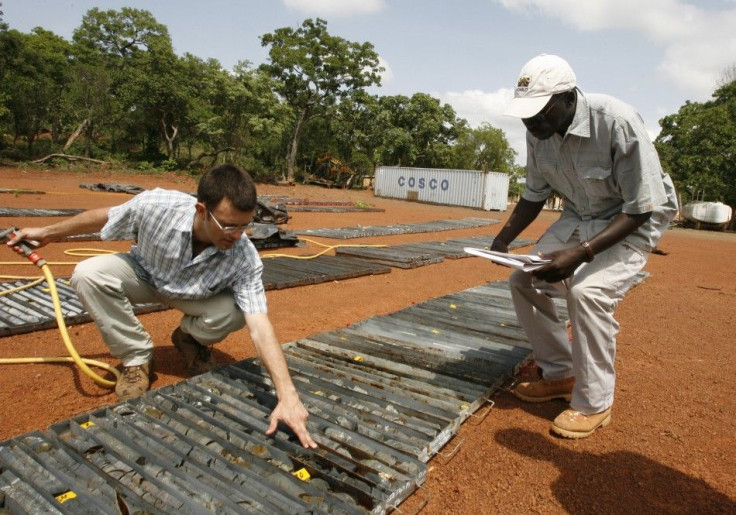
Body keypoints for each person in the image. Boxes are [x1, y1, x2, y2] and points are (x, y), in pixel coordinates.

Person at [7, 164, 317, 448]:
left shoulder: (244, 256)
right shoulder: (157, 207)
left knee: (235, 312)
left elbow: (260, 327)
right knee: (88, 274)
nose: (237, 236)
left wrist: (287, 395)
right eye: (228, 226)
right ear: (201, 210)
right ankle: (136, 358)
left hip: (192, 294)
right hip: (144, 275)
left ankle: (190, 339)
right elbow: (107, 216)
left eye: (243, 226)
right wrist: (46, 233)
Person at [492, 54, 678, 439]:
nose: (531, 123)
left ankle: (594, 402)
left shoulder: (616, 122)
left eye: (540, 113)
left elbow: (642, 207)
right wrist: (503, 238)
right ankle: (560, 374)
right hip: (580, 215)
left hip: (632, 219)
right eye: (526, 115)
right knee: (522, 280)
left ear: (567, 99)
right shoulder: (538, 133)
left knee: (588, 291)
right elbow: (533, 194)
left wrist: (582, 253)